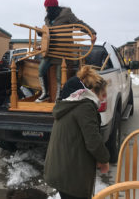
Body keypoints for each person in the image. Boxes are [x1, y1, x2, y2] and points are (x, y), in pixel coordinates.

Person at [44, 65, 110, 199]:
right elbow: (93, 140)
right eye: (103, 94)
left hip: (61, 169)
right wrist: (104, 160)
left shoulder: (71, 102)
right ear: (92, 91)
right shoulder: (85, 106)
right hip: (71, 175)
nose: (103, 99)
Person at [35, 0, 97, 102]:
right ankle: (45, 93)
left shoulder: (66, 13)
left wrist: (92, 33)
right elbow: (47, 35)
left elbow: (79, 24)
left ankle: (59, 96)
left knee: (60, 76)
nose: (45, 9)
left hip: (63, 51)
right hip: (50, 51)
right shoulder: (47, 19)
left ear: (51, 7)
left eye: (46, 7)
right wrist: (41, 37)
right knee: (41, 69)